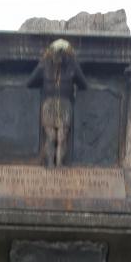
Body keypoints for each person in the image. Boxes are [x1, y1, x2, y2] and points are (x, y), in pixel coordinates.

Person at [27, 39, 87, 167]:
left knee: (62, 137)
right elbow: (30, 82)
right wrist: (41, 67)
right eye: (56, 53)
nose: (59, 56)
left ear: (66, 55)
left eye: (62, 53)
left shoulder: (72, 66)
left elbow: (83, 84)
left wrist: (75, 68)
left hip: (64, 104)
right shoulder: (44, 66)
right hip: (49, 104)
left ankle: (59, 163)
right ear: (51, 53)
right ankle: (50, 163)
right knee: (51, 136)